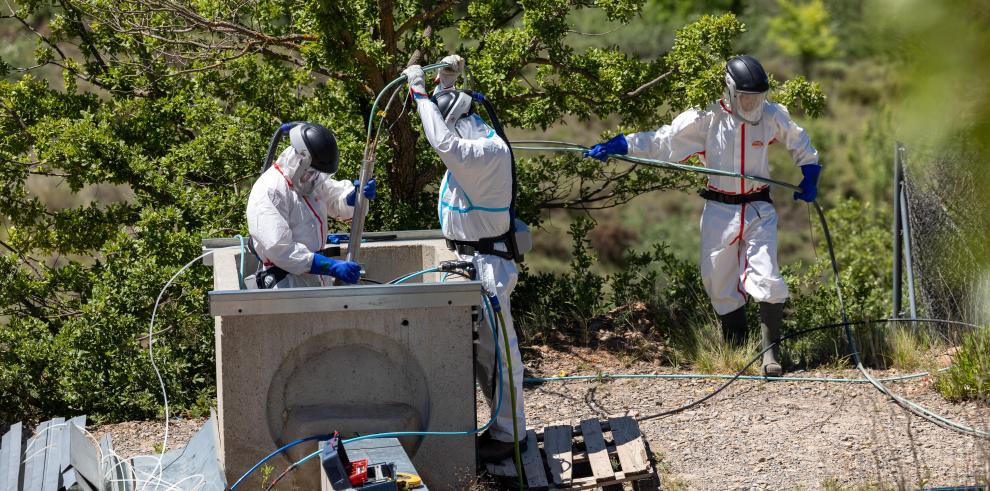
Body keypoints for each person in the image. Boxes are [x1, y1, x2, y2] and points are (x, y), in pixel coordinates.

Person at [584, 55, 821, 376]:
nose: (752, 104)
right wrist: (622, 144)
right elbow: (663, 141)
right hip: (719, 210)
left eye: (757, 97)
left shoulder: (771, 115)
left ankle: (770, 356)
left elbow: (799, 139)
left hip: (758, 207)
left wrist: (810, 173)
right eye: (746, 97)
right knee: (718, 281)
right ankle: (736, 353)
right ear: (730, 91)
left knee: (767, 274)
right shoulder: (706, 118)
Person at [402, 55, 527, 463]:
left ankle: (511, 434)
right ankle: (496, 426)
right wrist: (443, 85)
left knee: (501, 352)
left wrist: (420, 95)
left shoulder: (485, 151)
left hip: (488, 266)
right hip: (470, 260)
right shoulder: (475, 138)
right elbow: (448, 128)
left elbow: (444, 142)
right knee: (482, 353)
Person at [246, 122, 376, 289]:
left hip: (318, 280)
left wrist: (354, 197)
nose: (315, 177)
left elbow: (335, 198)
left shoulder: (308, 179)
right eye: (312, 172)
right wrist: (331, 266)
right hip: (288, 286)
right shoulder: (270, 190)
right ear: (300, 159)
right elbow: (280, 249)